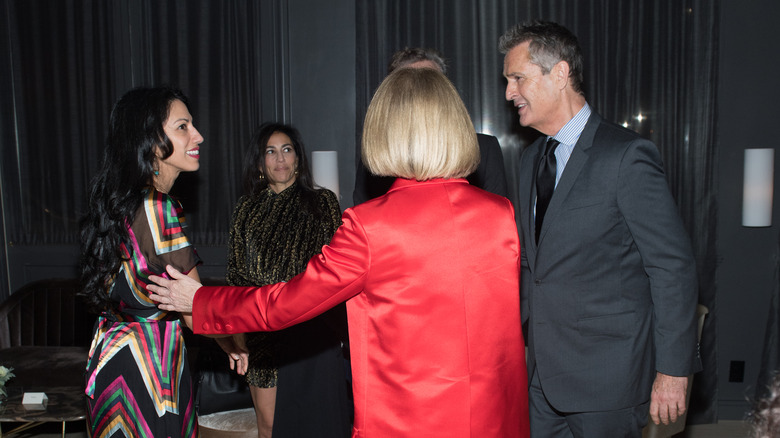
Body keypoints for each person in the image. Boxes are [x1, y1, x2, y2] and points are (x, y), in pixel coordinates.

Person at [148, 68, 530, 438]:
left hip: (409, 422)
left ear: (386, 132)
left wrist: (203, 302)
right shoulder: (500, 214)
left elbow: (287, 302)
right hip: (494, 418)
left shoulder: (371, 226)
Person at [500, 21, 700, 437]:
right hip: (540, 378)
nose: (509, 93)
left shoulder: (626, 156)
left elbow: (671, 267)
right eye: (507, 81)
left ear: (559, 73)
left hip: (608, 380)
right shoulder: (530, 160)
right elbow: (533, 268)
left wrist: (673, 369)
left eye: (518, 78)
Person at [79, 85, 204, 437]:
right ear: (150, 140)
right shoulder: (156, 207)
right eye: (183, 127)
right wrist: (240, 341)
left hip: (112, 359)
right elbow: (198, 312)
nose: (198, 135)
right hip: (149, 372)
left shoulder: (118, 201)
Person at [221, 122, 351, 438]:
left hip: (309, 335)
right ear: (260, 162)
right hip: (260, 333)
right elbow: (236, 276)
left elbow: (336, 271)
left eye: (287, 150)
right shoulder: (246, 208)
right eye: (271, 151)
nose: (280, 159)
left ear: (298, 158)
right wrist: (236, 331)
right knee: (268, 427)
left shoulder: (322, 203)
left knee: (314, 426)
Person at [353, 47, 509, 204]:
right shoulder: (378, 154)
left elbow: (497, 214)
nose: (422, 95)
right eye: (410, 86)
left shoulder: (484, 149)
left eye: (429, 83)